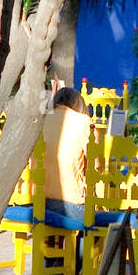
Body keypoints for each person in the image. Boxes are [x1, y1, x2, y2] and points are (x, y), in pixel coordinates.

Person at [42, 86, 91, 224]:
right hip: (70, 203)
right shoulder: (83, 122)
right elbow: (97, 164)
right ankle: (82, 246)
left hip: (34, 200)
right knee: (98, 221)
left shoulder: (41, 120)